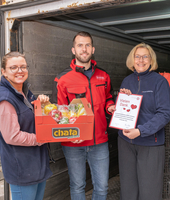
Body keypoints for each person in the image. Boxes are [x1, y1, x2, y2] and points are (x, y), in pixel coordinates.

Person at [53, 31, 115, 200]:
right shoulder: (62, 79)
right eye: (80, 45)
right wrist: (71, 132)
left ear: (93, 49)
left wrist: (110, 107)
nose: (84, 49)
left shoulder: (104, 76)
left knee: (102, 187)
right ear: (73, 50)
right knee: (78, 185)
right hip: (73, 143)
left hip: (99, 142)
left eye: (87, 45)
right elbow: (58, 112)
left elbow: (109, 98)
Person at [0, 52, 53, 200]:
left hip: (36, 165)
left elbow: (35, 119)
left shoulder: (24, 91)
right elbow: (12, 136)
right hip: (22, 169)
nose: (20, 71)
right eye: (14, 67)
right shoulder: (5, 100)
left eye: (23, 67)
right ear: (4, 72)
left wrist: (43, 104)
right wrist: (41, 138)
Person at [118, 43, 170, 200]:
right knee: (128, 190)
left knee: (149, 192)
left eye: (145, 56)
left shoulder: (160, 82)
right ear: (132, 59)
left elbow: (164, 114)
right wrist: (117, 106)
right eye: (137, 56)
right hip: (126, 143)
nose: (141, 60)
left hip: (150, 144)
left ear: (151, 60)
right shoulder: (126, 81)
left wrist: (141, 131)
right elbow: (124, 109)